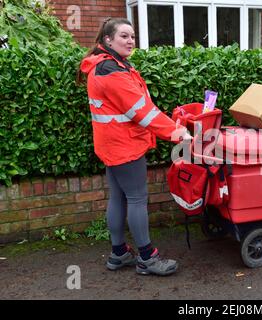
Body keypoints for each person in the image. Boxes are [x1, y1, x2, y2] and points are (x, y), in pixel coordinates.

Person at [77, 17, 191, 276]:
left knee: (118, 197)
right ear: (108, 40)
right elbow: (143, 111)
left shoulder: (105, 65)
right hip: (124, 146)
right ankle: (147, 259)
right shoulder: (112, 71)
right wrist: (177, 132)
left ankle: (119, 254)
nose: (130, 41)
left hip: (111, 145)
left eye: (132, 36)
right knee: (137, 199)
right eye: (124, 36)